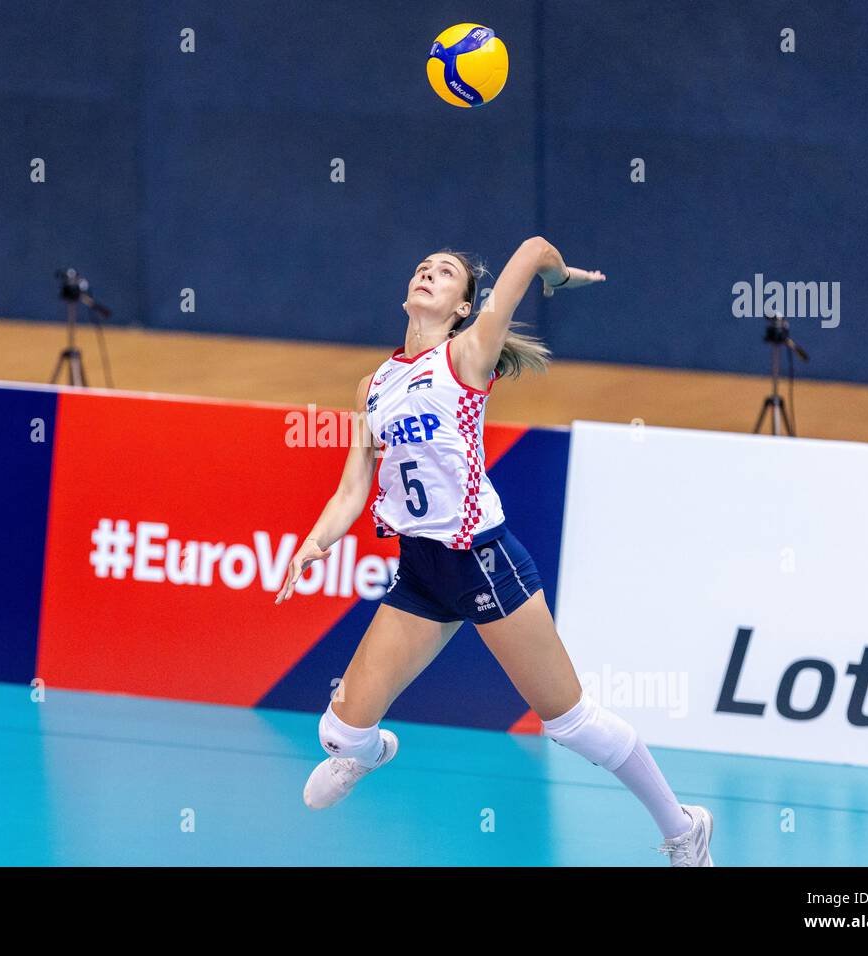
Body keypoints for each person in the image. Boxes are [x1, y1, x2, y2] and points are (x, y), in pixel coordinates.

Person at [274, 237, 715, 865]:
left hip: (483, 559)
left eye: (446, 273)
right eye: (422, 267)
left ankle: (683, 826)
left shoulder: (469, 353)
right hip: (421, 570)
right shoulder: (374, 384)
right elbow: (353, 488)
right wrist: (314, 543)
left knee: (568, 722)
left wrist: (561, 276)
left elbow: (534, 248)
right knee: (339, 733)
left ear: (462, 307)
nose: (428, 273)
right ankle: (373, 754)